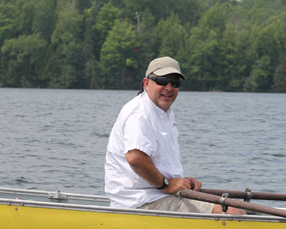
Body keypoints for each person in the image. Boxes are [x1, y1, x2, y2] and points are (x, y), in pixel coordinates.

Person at [105, 56, 245, 215]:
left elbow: (156, 162)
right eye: (163, 81)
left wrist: (181, 181)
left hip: (158, 196)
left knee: (238, 208)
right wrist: (166, 184)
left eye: (175, 83)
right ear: (146, 83)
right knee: (232, 212)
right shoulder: (140, 113)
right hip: (139, 203)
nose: (169, 88)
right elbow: (135, 158)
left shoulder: (164, 112)